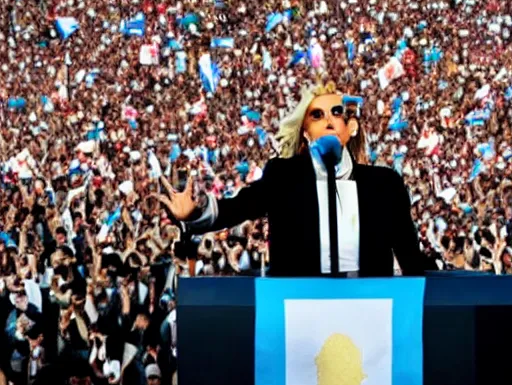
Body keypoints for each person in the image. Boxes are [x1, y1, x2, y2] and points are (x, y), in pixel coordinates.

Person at [154, 81, 430, 278]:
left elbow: (411, 260)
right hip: (300, 322)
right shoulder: (284, 177)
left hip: (369, 319)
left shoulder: (384, 185)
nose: (329, 121)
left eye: (337, 113)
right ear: (306, 132)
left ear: (352, 127)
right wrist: (194, 213)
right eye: (317, 116)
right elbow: (238, 208)